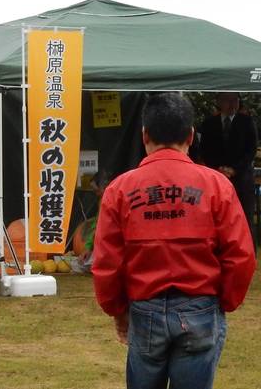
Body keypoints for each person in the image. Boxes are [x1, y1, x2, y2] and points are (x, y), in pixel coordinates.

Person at [92, 93, 256, 389]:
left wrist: (118, 309)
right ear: (191, 136)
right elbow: (240, 255)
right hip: (201, 308)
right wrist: (223, 303)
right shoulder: (217, 186)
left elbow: (107, 261)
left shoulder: (120, 190)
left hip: (145, 309)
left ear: (145, 135)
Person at [199, 92, 258, 253]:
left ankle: (249, 252)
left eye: (235, 100)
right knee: (218, 217)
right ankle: (220, 251)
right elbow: (204, 150)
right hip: (217, 178)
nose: (232, 104)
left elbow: (250, 150)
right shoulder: (209, 124)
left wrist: (234, 169)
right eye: (228, 100)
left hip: (242, 178)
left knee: (245, 216)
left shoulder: (246, 122)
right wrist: (219, 169)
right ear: (219, 101)